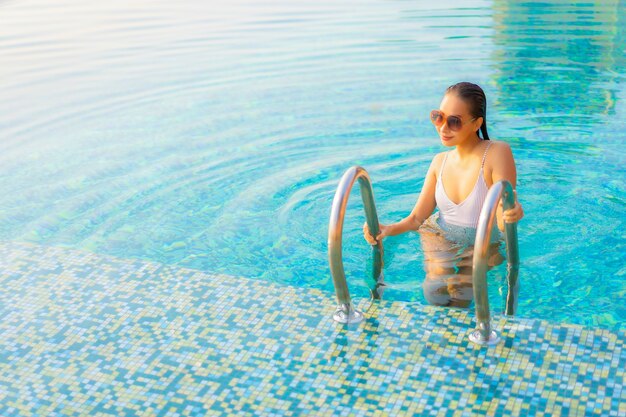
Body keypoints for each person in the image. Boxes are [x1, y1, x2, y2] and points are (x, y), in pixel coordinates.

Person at [363, 82, 524, 307]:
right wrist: (387, 229)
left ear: (476, 123)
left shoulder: (497, 152)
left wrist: (510, 211)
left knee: (463, 293)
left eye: (454, 121)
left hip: (481, 241)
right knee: (435, 290)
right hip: (440, 235)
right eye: (438, 117)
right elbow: (417, 219)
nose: (443, 127)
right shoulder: (439, 162)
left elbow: (500, 214)